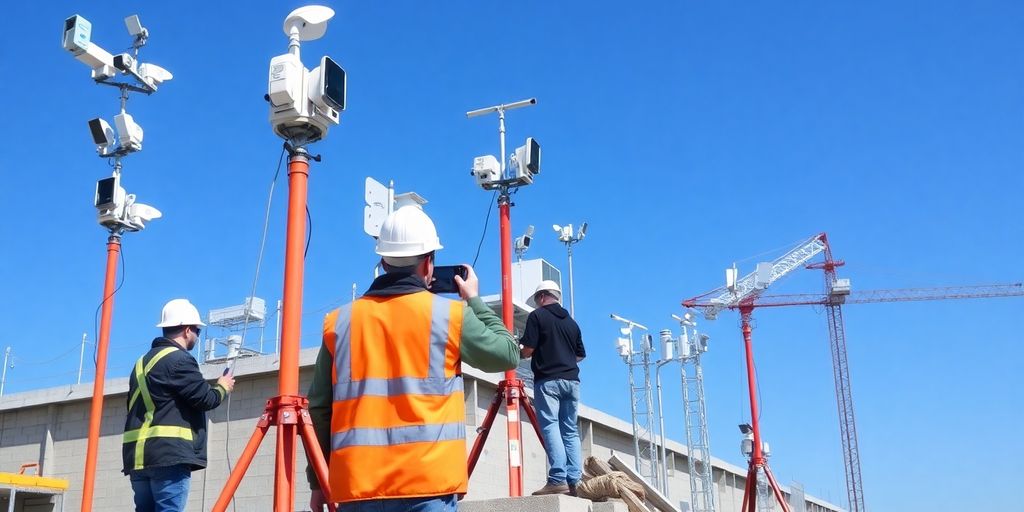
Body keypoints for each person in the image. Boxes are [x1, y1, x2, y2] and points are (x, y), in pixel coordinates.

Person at [307, 206, 520, 511]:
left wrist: (318, 482)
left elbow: (319, 408)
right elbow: (508, 353)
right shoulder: (450, 316)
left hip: (357, 487)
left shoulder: (339, 323)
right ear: (428, 263)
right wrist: (473, 299)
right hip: (427, 485)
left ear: (382, 262)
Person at [122, 298, 235, 512]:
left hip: (138, 458)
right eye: (197, 331)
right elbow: (206, 399)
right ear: (186, 330)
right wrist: (222, 386)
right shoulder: (179, 360)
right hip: (168, 456)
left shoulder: (140, 364)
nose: (196, 336)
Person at [520, 280, 586, 496]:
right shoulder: (572, 323)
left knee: (550, 426)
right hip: (572, 381)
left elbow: (528, 349)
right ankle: (574, 480)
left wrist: (518, 351)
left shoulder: (537, 316)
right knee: (570, 430)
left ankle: (558, 478)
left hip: (548, 380)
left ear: (541, 297)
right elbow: (580, 355)